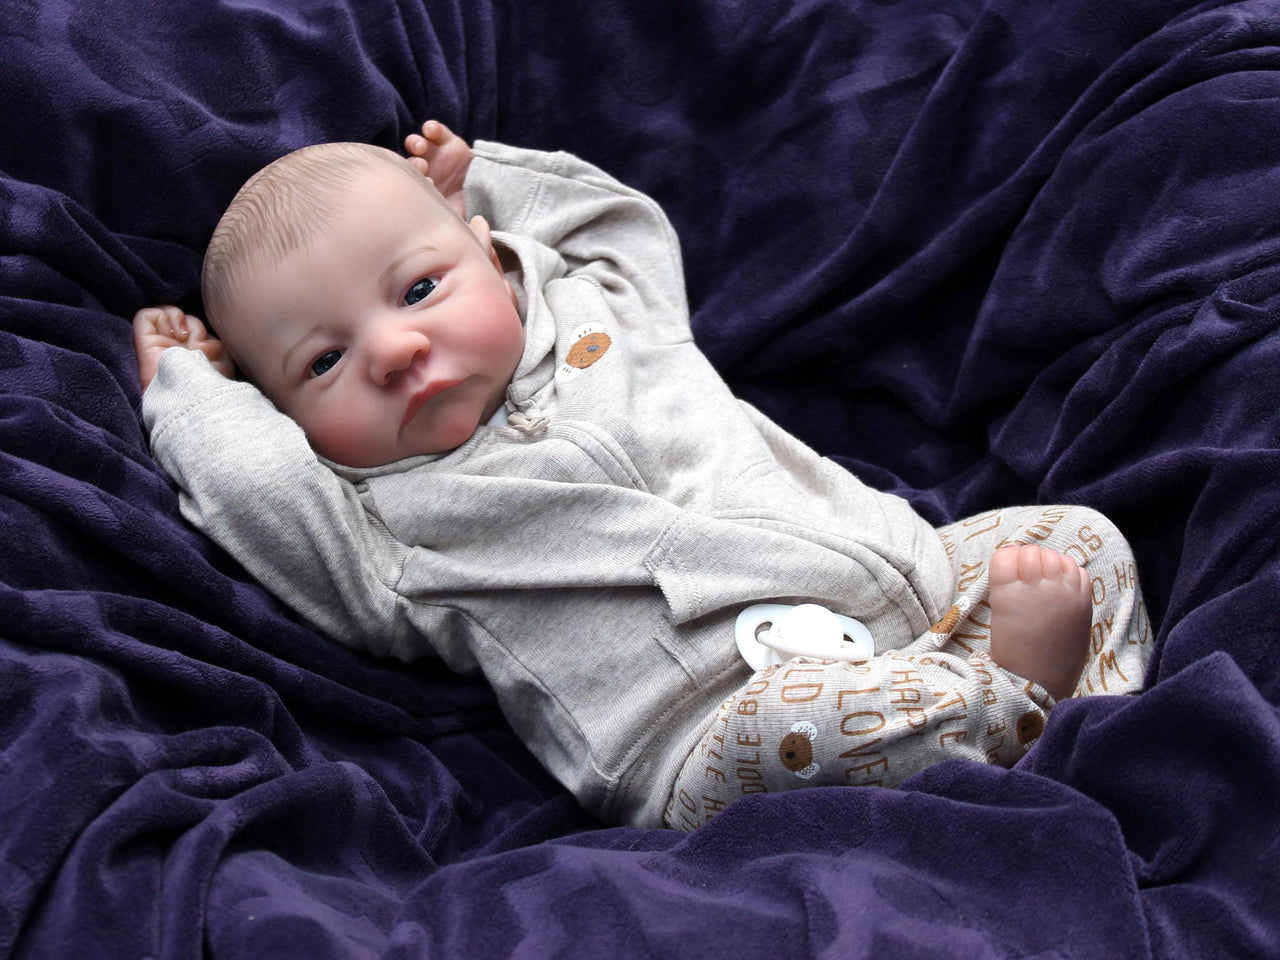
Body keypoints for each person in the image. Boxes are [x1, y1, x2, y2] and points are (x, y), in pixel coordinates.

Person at [133, 121, 1153, 830]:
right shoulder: (390, 525)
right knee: (799, 728)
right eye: (322, 362)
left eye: (419, 286)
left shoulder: (604, 315)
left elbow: (613, 219)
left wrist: (484, 173)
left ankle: (1056, 725)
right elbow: (256, 494)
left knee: (1080, 542)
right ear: (289, 415)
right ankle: (1014, 703)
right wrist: (188, 387)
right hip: (712, 737)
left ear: (492, 259)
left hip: (913, 587)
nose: (394, 350)